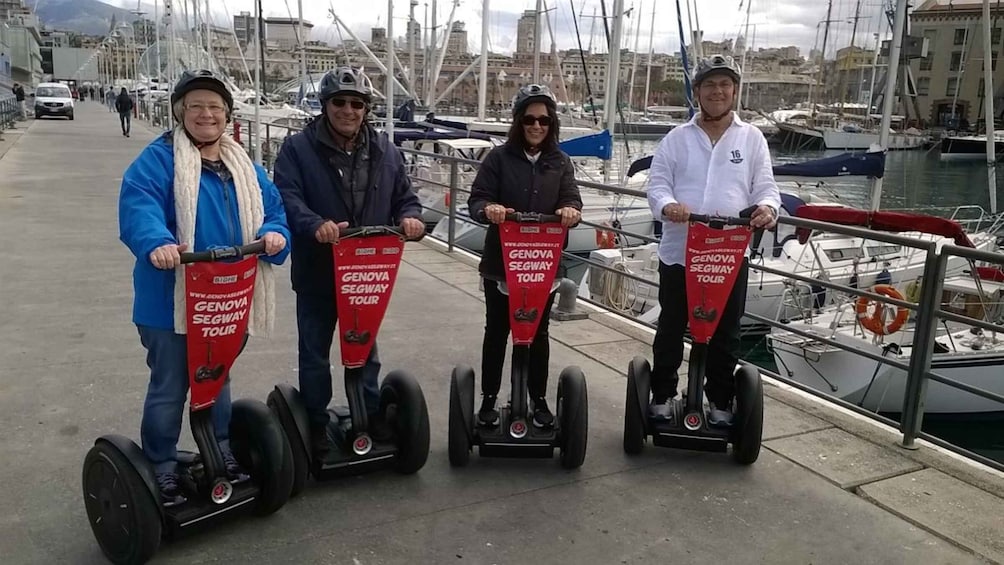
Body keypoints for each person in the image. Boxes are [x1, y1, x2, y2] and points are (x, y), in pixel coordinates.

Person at [118, 69, 291, 505]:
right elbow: (139, 204)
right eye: (195, 106)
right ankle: (161, 465)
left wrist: (275, 235)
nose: (206, 114)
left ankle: (221, 449)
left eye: (214, 107)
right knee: (171, 385)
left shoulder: (244, 167)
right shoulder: (159, 160)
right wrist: (156, 241)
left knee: (217, 377)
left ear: (228, 116)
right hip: (170, 301)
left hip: (229, 298)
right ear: (180, 112)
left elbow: (273, 210)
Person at [273, 66, 424, 463]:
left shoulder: (385, 150)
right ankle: (317, 423)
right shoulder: (298, 149)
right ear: (325, 106)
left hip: (367, 274)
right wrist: (314, 224)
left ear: (366, 109)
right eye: (339, 102)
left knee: (364, 351)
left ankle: (369, 415)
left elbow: (405, 198)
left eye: (356, 103)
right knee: (315, 353)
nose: (348, 110)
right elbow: (285, 198)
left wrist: (411, 219)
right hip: (319, 271)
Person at [646, 54, 781, 426]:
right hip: (680, 251)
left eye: (724, 84)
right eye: (709, 85)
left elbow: (767, 188)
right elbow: (657, 184)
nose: (717, 91)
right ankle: (661, 394)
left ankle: (720, 399)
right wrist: (668, 206)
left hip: (728, 253)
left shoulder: (751, 138)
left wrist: (767, 210)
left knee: (725, 333)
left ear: (734, 90)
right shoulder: (677, 139)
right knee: (671, 327)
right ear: (698, 92)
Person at [467, 84, 582, 429]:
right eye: (530, 119)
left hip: (541, 265)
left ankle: (539, 398)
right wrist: (490, 209)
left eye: (544, 121)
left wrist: (570, 211)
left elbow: (572, 199)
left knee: (538, 333)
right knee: (498, 330)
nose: (536, 126)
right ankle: (489, 397)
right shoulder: (499, 159)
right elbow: (476, 200)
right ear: (519, 121)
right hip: (501, 264)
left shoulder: (559, 162)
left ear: (551, 124)